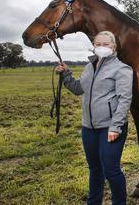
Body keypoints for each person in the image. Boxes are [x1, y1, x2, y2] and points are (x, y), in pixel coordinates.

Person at [55, 30, 133, 205]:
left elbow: (124, 100)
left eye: (106, 44)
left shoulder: (122, 69)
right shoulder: (89, 67)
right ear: (93, 47)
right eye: (98, 44)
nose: (101, 47)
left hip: (110, 127)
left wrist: (116, 126)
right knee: (95, 169)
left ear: (114, 47)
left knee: (111, 170)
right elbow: (77, 89)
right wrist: (65, 74)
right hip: (88, 127)